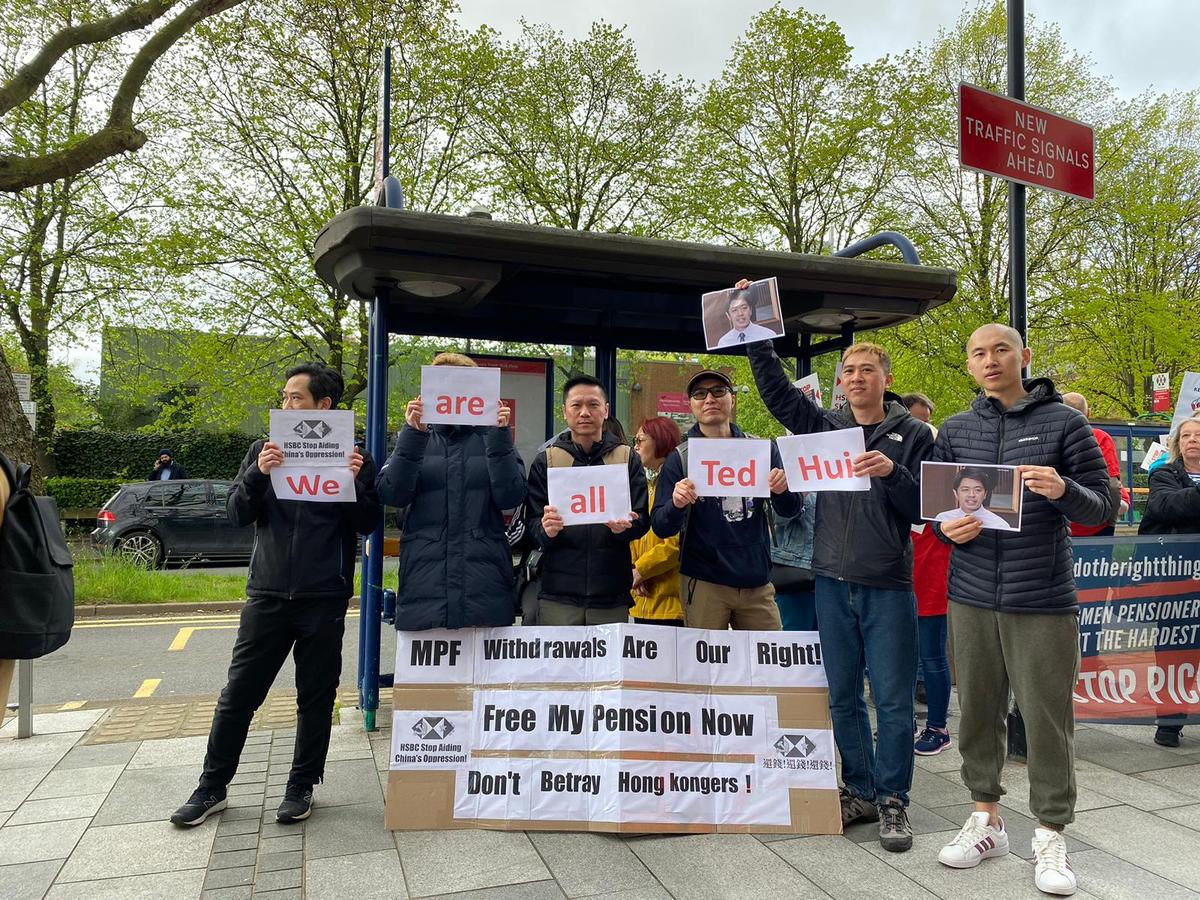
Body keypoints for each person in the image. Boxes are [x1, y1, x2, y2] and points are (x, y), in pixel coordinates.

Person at [931, 324, 1111, 897]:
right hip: (972, 596)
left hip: (1042, 599)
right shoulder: (957, 430)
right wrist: (947, 529)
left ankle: (1051, 834)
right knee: (977, 711)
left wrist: (1064, 491)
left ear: (1024, 357)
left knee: (1046, 720)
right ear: (969, 365)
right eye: (978, 352)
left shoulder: (1065, 423)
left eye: (1001, 350)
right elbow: (935, 515)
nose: (990, 360)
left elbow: (1102, 507)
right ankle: (986, 819)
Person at [170, 363, 380, 828]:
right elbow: (236, 514)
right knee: (239, 694)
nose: (285, 406)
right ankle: (211, 787)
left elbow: (367, 523)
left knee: (316, 697)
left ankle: (301, 786)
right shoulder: (261, 451)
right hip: (266, 593)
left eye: (295, 399)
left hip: (324, 596)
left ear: (324, 406)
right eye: (284, 398)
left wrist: (352, 483)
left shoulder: (352, 454)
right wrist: (257, 475)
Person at [747, 331, 933, 853]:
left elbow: (927, 507)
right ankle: (860, 789)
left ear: (886, 379)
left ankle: (894, 797)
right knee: (844, 696)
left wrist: (893, 474)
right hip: (830, 578)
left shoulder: (916, 435)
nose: (855, 378)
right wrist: (757, 339)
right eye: (848, 371)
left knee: (894, 700)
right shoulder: (825, 425)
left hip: (888, 585)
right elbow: (780, 396)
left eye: (867, 370)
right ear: (839, 382)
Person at [377, 352, 526, 630]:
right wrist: (412, 434)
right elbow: (391, 495)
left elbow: (512, 497)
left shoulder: (493, 439)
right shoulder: (415, 439)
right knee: (429, 675)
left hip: (485, 590)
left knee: (485, 673)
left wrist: (499, 437)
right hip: (425, 590)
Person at [652, 370, 800, 631]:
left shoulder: (763, 450)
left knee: (768, 667)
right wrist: (676, 503)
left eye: (718, 391)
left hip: (757, 581)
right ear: (692, 405)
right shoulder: (680, 458)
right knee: (705, 669)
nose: (709, 398)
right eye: (700, 393)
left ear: (732, 399)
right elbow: (661, 526)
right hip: (704, 582)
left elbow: (791, 509)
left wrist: (782, 490)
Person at [525, 374, 650, 625]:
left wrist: (626, 528)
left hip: (611, 592)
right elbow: (532, 525)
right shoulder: (547, 460)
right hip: (558, 592)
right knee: (560, 664)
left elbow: (642, 519)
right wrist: (545, 529)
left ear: (605, 411)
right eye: (576, 405)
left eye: (593, 405)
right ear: (564, 412)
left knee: (609, 665)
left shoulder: (626, 458)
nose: (585, 412)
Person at [1137, 411, 1200, 748]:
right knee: (1175, 655)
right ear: (1178, 444)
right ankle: (1169, 722)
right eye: (1186, 436)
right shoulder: (1163, 474)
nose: (1192, 440)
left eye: (1198, 435)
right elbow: (1165, 507)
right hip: (1176, 582)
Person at [629, 417, 684, 625]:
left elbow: (674, 544)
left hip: (671, 604)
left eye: (640, 440)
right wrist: (636, 571)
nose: (635, 446)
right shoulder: (646, 484)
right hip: (642, 599)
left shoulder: (676, 486)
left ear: (659, 440)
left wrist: (640, 571)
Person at [1060, 392, 1129, 537]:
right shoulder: (1100, 438)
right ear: (1089, 413)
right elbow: (1112, 485)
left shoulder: (1049, 438)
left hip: (1059, 529)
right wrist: (1109, 523)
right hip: (1097, 528)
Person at [770, 494, 818, 631]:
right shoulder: (783, 475)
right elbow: (776, 518)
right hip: (794, 573)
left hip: (833, 575)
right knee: (794, 643)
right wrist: (797, 497)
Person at [933, 467, 1015, 531]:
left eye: (978, 490)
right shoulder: (942, 518)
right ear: (956, 493)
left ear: (985, 494)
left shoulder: (1000, 524)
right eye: (965, 489)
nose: (971, 495)